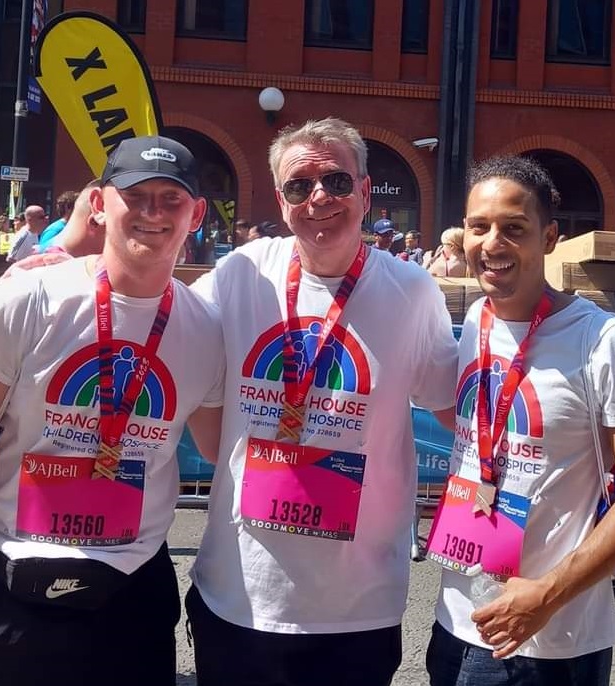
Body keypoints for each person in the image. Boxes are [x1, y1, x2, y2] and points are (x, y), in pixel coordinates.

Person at [0, 134, 225, 686]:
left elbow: (222, 447)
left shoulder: (206, 328)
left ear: (195, 215)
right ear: (99, 204)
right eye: (135, 195)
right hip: (12, 585)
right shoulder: (31, 296)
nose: (153, 212)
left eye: (171, 199)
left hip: (132, 589)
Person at [185, 117, 459, 686]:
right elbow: (157, 337)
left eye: (336, 181)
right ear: (281, 201)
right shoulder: (241, 275)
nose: (319, 199)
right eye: (298, 186)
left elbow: (457, 409)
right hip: (239, 594)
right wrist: (77, 262)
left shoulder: (412, 292)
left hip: (356, 608)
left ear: (364, 191)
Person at [425, 155, 615, 685]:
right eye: (478, 227)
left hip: (551, 639)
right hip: (456, 618)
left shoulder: (605, 342)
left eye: (514, 228)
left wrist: (548, 594)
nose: (492, 244)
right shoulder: (476, 319)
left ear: (550, 236)